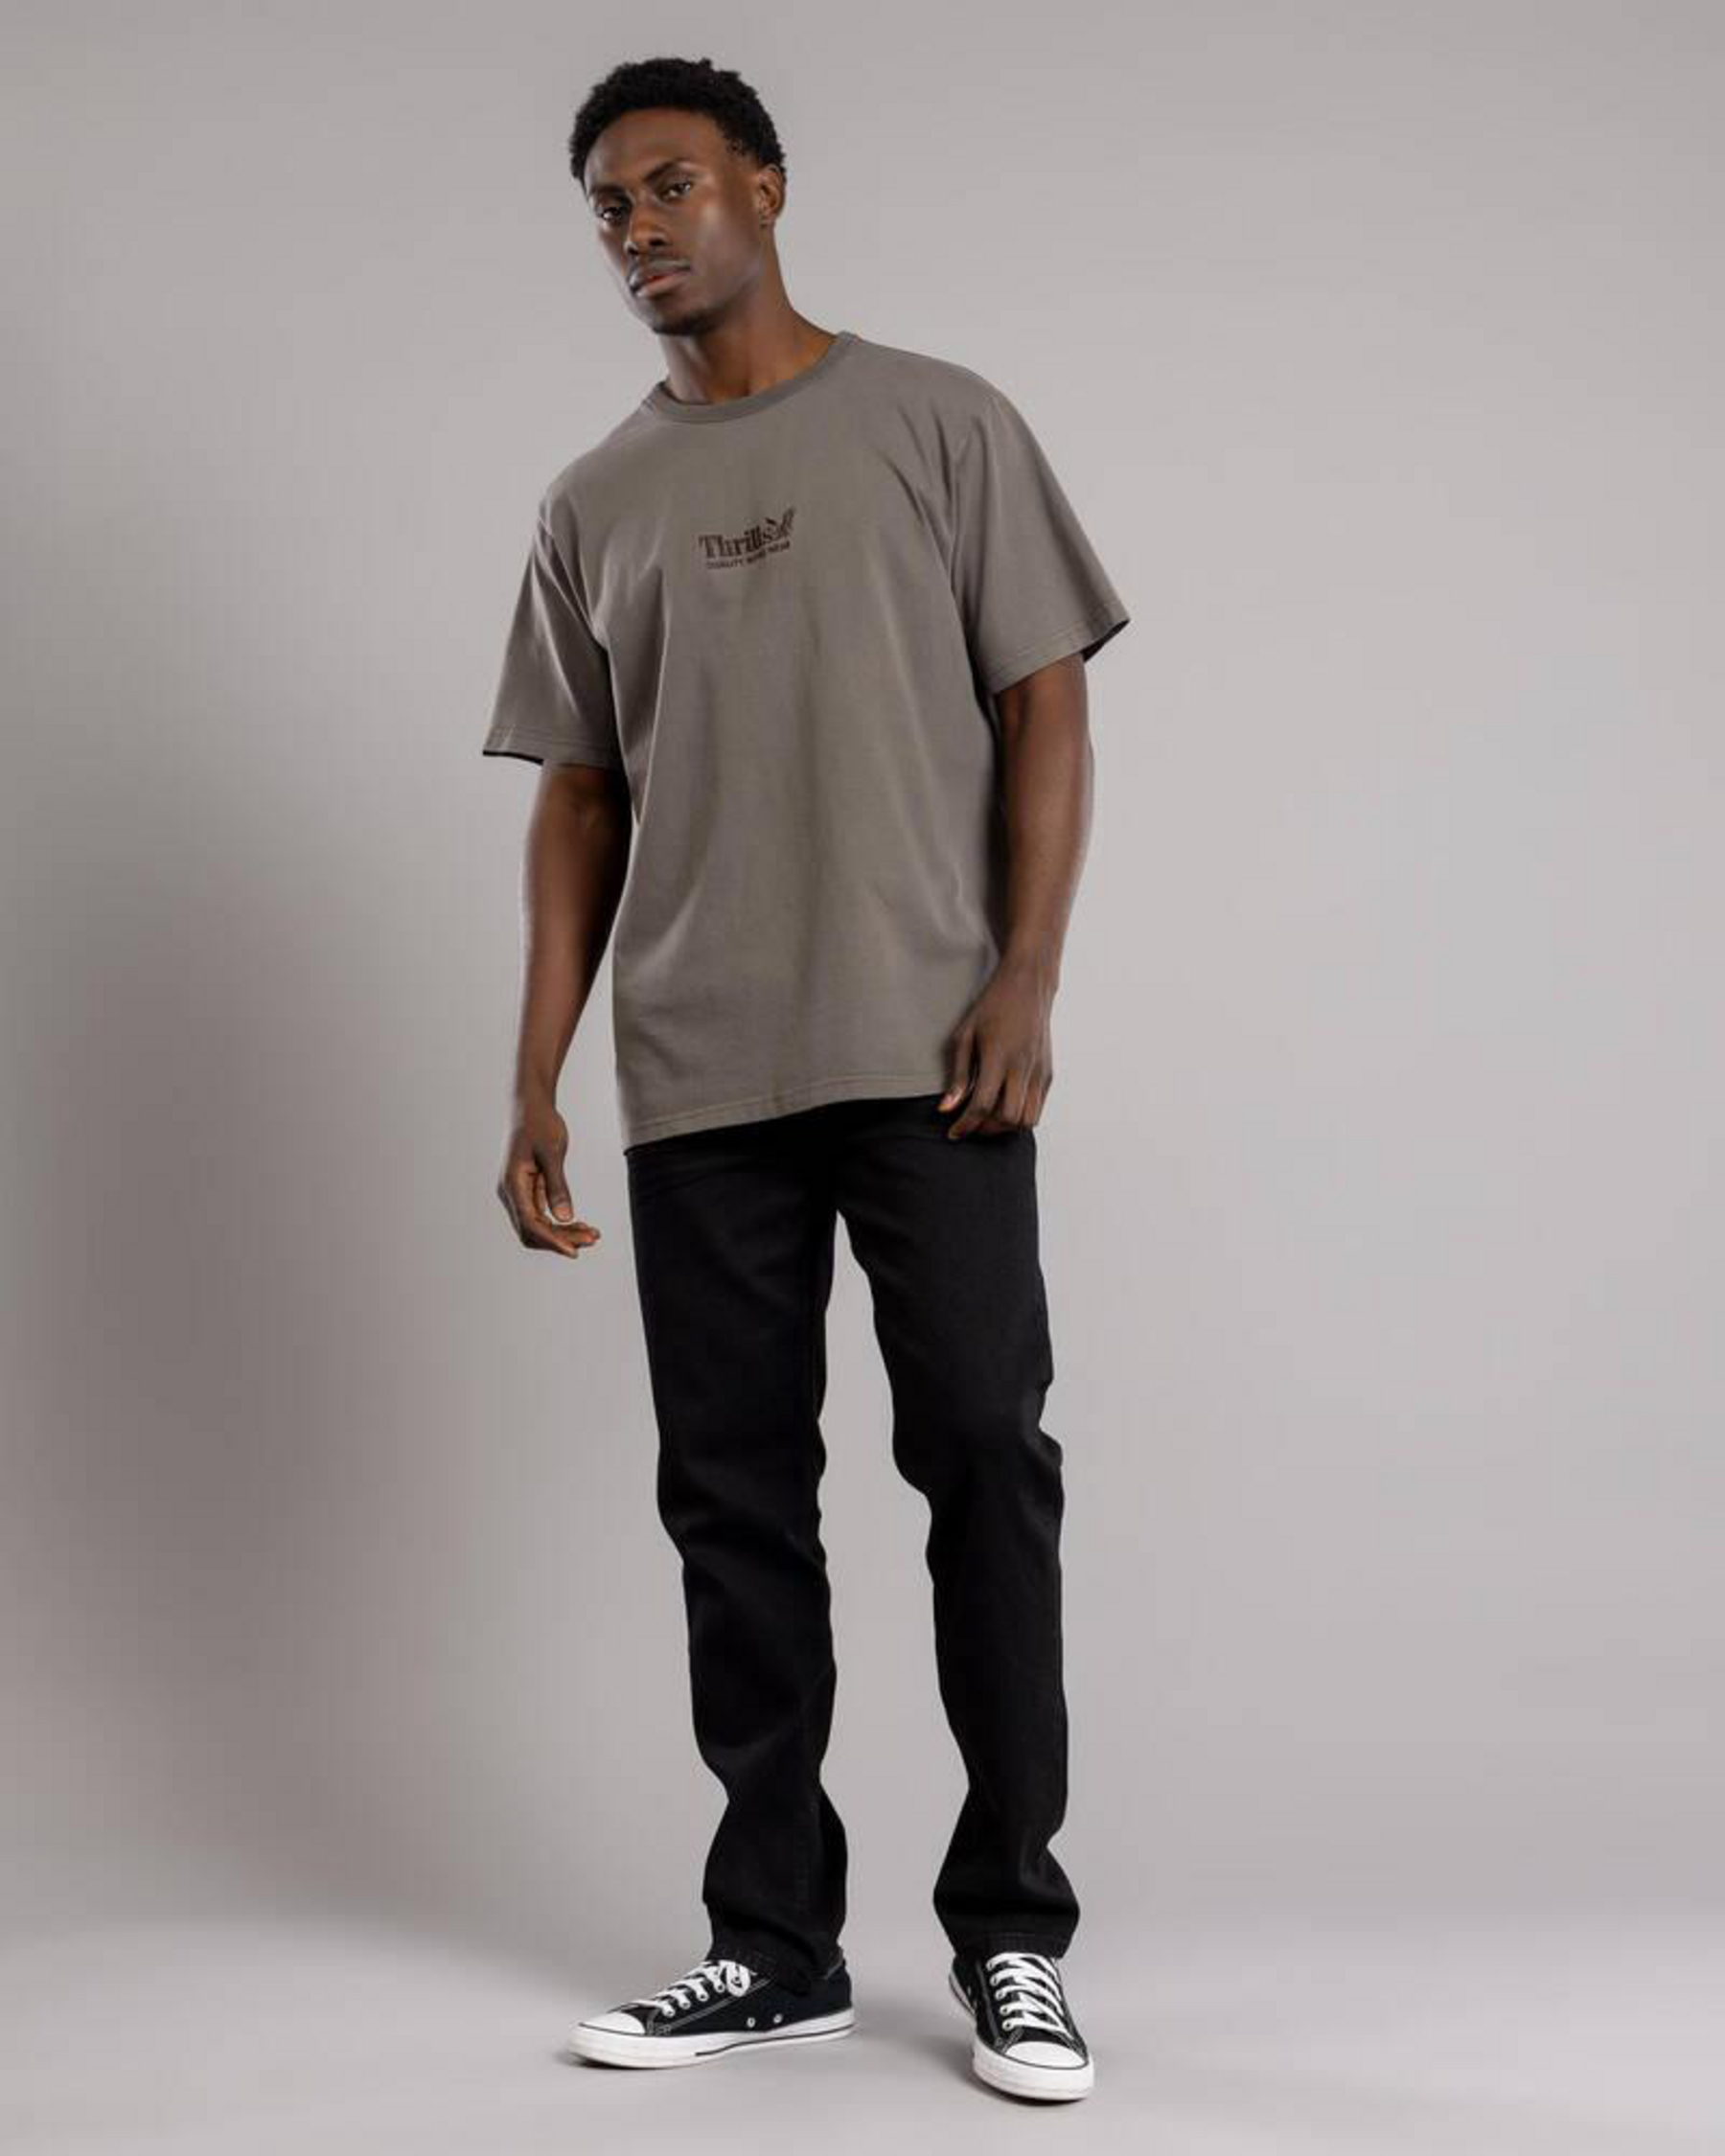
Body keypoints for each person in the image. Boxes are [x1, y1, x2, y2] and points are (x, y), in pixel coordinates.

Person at [482, 55, 1129, 2104]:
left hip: (934, 1055)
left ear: (764, 186)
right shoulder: (591, 502)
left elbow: (1044, 702)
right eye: (609, 206)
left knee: (986, 1463)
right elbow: (579, 800)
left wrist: (1027, 973)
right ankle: (774, 1944)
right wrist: (535, 1076)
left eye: (671, 186)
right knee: (734, 1503)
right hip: (699, 1076)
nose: (640, 229)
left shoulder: (941, 420)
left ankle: (1012, 1931)